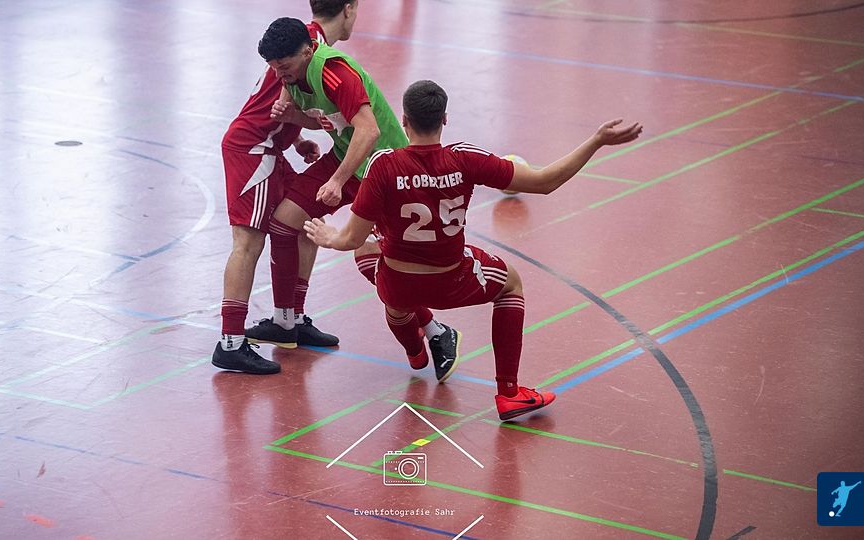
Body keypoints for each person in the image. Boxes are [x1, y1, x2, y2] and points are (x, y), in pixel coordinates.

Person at [304, 80, 643, 420]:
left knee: (371, 257)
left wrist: (328, 236)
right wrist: (596, 141)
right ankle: (509, 393)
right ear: (444, 119)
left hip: (399, 282)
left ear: (404, 120)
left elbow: (350, 239)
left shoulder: (383, 165)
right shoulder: (464, 158)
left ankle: (415, 350)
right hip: (453, 280)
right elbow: (545, 182)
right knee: (511, 283)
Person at [244, 15, 413, 351]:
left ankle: (434, 329)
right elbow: (328, 121)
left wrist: (336, 181)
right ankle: (287, 321)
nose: (279, 74)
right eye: (273, 67)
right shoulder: (292, 76)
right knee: (284, 222)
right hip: (346, 155)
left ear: (308, 51)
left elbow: (368, 130)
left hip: (382, 168)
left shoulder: (335, 72)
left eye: (284, 66)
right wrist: (293, 117)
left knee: (387, 259)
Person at [213, 1, 362, 375]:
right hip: (252, 147)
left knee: (305, 222)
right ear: (349, 9)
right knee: (248, 243)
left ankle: (289, 319)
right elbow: (278, 101)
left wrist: (294, 139)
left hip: (271, 145)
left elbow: (279, 101)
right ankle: (230, 342)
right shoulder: (306, 45)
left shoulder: (305, 41)